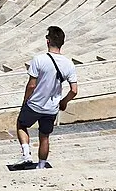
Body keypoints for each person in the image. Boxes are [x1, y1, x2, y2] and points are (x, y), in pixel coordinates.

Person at [11, 25, 79, 171]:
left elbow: (31, 85)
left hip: (35, 104)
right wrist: (64, 102)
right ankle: (41, 166)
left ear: (48, 41)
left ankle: (26, 155)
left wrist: (25, 101)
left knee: (21, 125)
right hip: (51, 108)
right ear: (62, 42)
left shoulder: (39, 59)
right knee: (44, 137)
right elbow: (74, 90)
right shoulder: (69, 64)